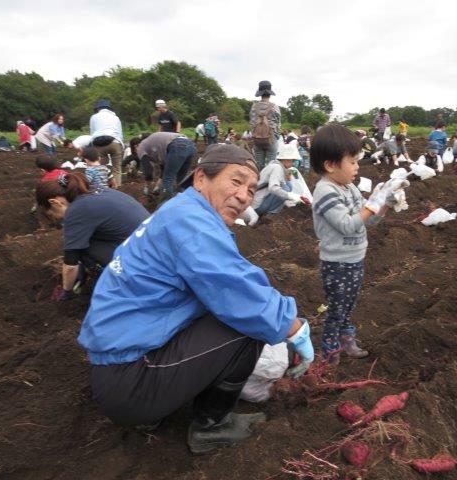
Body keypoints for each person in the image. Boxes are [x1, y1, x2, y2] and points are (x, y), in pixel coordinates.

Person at [76, 144, 314, 454]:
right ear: (201, 178)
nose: (244, 196)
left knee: (234, 311)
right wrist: (296, 329)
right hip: (131, 382)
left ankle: (162, 406)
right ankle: (210, 426)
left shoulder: (181, 211)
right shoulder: (193, 224)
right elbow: (242, 297)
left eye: (251, 189)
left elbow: (226, 280)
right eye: (236, 181)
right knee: (248, 324)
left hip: (120, 370)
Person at [311, 124, 408, 364]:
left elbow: (368, 220)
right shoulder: (325, 191)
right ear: (331, 165)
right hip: (337, 263)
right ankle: (330, 353)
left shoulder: (350, 188)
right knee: (336, 308)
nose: (357, 167)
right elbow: (347, 225)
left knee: (349, 305)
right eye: (352, 162)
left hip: (355, 259)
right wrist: (373, 203)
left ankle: (347, 341)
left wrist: (385, 204)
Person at [35, 171, 148, 301]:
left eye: (51, 214)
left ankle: (115, 282)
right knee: (82, 242)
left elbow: (70, 265)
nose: (56, 218)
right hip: (150, 245)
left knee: (80, 248)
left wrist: (67, 292)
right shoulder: (95, 191)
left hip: (141, 259)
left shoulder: (76, 210)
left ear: (54, 202)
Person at [249, 142, 307, 219]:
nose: (293, 163)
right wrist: (290, 196)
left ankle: (271, 210)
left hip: (255, 204)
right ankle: (271, 213)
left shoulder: (275, 165)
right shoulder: (277, 168)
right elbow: (273, 188)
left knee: (287, 186)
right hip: (257, 207)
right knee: (286, 188)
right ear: (286, 159)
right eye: (292, 161)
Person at [137, 132, 198, 201]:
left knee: (168, 179)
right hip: (191, 145)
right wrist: (157, 186)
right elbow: (164, 168)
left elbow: (148, 171)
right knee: (182, 179)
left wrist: (147, 187)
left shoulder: (141, 146)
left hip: (178, 145)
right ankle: (185, 201)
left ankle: (165, 203)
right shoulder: (157, 144)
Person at [89, 99, 125, 187]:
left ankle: (103, 188)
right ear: (109, 108)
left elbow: (92, 133)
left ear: (98, 108)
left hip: (99, 144)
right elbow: (120, 134)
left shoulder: (94, 117)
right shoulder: (116, 118)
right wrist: (122, 147)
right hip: (115, 142)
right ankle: (117, 188)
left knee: (102, 168)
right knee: (117, 168)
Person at [249, 80, 281, 169]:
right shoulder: (275, 107)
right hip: (271, 138)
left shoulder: (254, 107)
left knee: (259, 165)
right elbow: (278, 124)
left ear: (260, 93)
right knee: (271, 165)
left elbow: (252, 123)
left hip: (257, 139)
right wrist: (276, 136)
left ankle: (259, 177)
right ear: (270, 94)